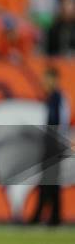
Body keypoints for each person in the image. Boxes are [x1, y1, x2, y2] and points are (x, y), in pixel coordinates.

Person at [31, 66, 70, 226]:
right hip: (51, 143)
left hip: (54, 144)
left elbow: (61, 122)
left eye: (46, 78)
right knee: (51, 181)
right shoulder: (51, 98)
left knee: (48, 181)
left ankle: (40, 216)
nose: (44, 82)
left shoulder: (58, 98)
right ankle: (54, 217)